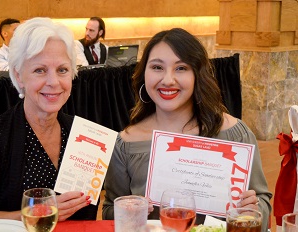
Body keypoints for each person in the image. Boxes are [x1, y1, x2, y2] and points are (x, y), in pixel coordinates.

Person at [102, 28, 272, 231]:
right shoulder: (126, 144)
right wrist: (131, 209)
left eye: (181, 68)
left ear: (197, 75)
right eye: (157, 67)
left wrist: (251, 211)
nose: (167, 79)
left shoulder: (235, 133)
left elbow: (263, 202)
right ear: (143, 73)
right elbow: (109, 210)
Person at [0, 17, 97, 224]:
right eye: (40, 70)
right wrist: (41, 212)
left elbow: (87, 215)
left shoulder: (85, 135)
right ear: (19, 75)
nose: (53, 82)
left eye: (62, 70)